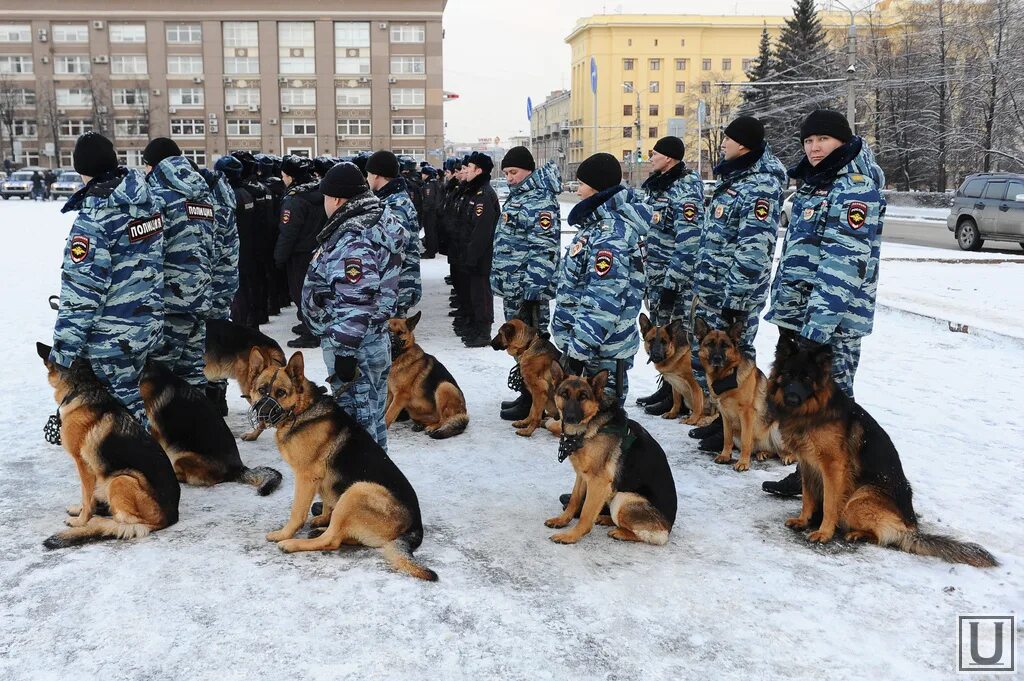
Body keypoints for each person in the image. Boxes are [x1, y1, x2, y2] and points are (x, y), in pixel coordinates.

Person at [761, 109, 886, 497]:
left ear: (842, 141)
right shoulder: (816, 183)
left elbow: (842, 263)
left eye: (823, 140)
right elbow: (798, 252)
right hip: (805, 316)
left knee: (835, 407)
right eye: (808, 141)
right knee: (807, 406)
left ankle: (842, 483)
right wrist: (787, 314)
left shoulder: (854, 187)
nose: (814, 148)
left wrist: (816, 329)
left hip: (835, 321)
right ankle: (810, 477)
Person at [49, 132, 165, 427]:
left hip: (112, 339)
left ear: (81, 170)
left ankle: (143, 468)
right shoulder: (145, 202)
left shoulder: (94, 221)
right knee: (135, 400)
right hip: (145, 327)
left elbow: (82, 294)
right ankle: (148, 462)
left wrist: (62, 352)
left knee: (122, 417)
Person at [686, 116, 787, 451]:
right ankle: (723, 421)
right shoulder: (736, 178)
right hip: (715, 288)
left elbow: (754, 248)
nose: (723, 144)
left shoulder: (760, 185)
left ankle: (743, 428)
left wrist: (737, 298)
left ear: (743, 143)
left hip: (734, 293)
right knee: (716, 363)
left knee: (737, 364)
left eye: (727, 138)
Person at [302, 162, 405, 449]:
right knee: (370, 420)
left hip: (355, 346)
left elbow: (357, 297)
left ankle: (361, 490)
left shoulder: (353, 236)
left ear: (336, 199)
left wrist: (345, 353)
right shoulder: (377, 221)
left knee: (356, 429)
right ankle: (376, 485)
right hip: (372, 339)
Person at [551, 152, 647, 406]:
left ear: (596, 188)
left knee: (605, 424)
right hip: (590, 346)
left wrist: (579, 350)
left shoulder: (610, 233)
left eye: (581, 184)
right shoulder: (596, 227)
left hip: (603, 349)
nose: (578, 190)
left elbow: (604, 299)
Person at [634, 135, 706, 416]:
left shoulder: (685, 188)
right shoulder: (658, 187)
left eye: (656, 153)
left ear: (670, 157)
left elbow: (689, 241)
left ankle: (687, 396)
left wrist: (672, 284)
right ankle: (667, 389)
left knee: (678, 340)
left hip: (677, 281)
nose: (651, 157)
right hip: (657, 276)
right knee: (660, 337)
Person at [490, 146, 562, 420]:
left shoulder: (540, 200)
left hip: (528, 288)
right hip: (515, 285)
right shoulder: (522, 196)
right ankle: (526, 394)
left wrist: (534, 287)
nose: (509, 178)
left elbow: (544, 247)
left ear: (529, 170)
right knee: (518, 347)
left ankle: (536, 401)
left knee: (533, 348)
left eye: (514, 172)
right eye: (506, 172)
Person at [143, 137, 216, 387]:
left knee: (159, 380)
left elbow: (150, 252)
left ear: (152, 165)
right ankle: (197, 425)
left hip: (170, 304)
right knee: (192, 374)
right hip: (199, 298)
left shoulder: (157, 197)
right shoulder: (202, 194)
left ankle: (167, 427)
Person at [198, 158, 240, 414]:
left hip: (206, 286)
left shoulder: (207, 203)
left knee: (203, 345)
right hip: (224, 282)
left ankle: (210, 399)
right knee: (220, 343)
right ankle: (218, 396)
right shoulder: (225, 198)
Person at [275, 155, 325, 348]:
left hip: (299, 254)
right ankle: (310, 325)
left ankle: (310, 332)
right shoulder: (319, 191)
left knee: (300, 293)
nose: (282, 179)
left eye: (284, 175)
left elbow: (288, 232)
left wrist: (279, 257)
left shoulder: (294, 200)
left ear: (291, 176)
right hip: (317, 250)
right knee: (313, 292)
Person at [366, 150, 421, 317]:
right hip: (392, 287)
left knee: (392, 339)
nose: (366, 178)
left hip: (396, 287)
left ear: (376, 175)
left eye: (368, 174)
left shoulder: (395, 204)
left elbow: (397, 247)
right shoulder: (390, 199)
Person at [456, 151, 500, 348]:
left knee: (482, 294)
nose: (466, 171)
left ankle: (483, 332)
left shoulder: (484, 195)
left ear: (479, 170)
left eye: (470, 168)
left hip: (481, 257)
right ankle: (476, 327)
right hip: (472, 254)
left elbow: (481, 231)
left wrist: (472, 256)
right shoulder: (475, 191)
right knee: (475, 293)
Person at [220, 157, 260, 330]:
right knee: (248, 289)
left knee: (240, 294)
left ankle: (242, 328)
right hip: (249, 246)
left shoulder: (229, 196)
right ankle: (251, 324)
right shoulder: (247, 193)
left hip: (237, 250)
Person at [419, 165, 440, 259]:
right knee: (432, 232)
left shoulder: (429, 185)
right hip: (434, 212)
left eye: (423, 173)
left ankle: (430, 252)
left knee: (430, 232)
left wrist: (424, 210)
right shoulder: (434, 182)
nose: (421, 175)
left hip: (430, 212)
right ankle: (432, 249)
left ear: (426, 174)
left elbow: (429, 200)